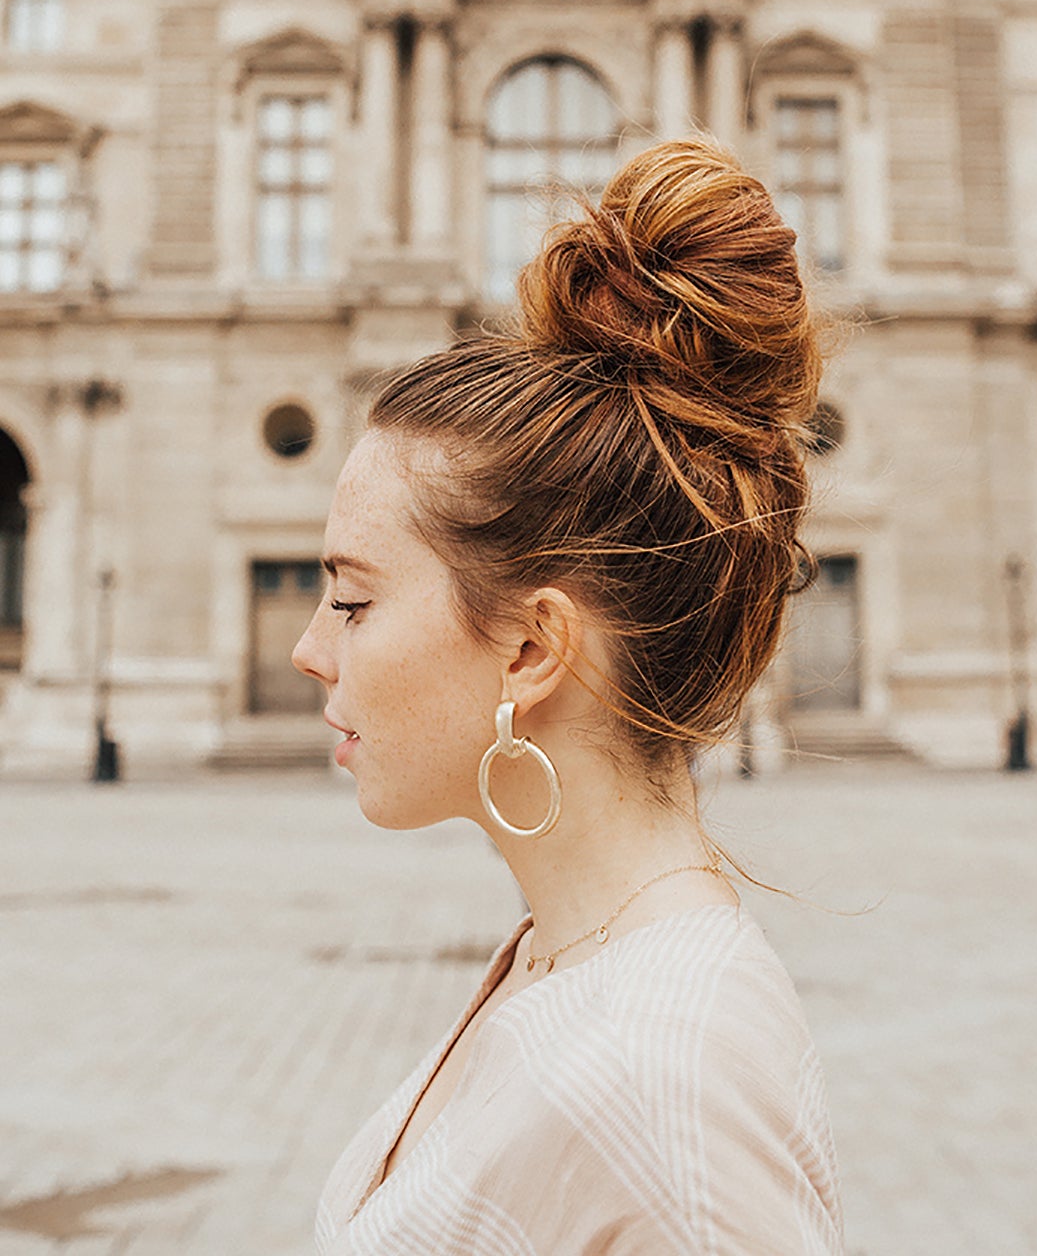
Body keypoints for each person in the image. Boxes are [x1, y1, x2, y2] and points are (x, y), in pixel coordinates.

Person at [294, 140, 845, 1255]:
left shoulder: (670, 1091)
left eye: (352, 602)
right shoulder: (567, 952)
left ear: (532, 649)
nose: (311, 650)